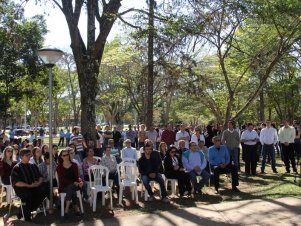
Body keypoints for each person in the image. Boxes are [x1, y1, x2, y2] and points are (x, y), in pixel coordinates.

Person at [11, 148, 49, 222]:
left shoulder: (33, 165)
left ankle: (24, 210)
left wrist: (39, 182)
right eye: (27, 155)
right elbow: (16, 182)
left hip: (34, 186)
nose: (29, 157)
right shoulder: (17, 168)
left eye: (30, 155)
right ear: (21, 156)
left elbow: (40, 176)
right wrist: (29, 185)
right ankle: (27, 218)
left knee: (45, 189)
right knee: (27, 196)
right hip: (22, 188)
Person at [56, 149, 83, 216]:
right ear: (61, 157)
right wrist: (73, 182)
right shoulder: (59, 167)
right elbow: (62, 180)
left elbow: (77, 177)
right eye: (64, 155)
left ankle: (66, 209)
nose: (66, 156)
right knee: (71, 186)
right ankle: (76, 207)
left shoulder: (74, 165)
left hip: (74, 185)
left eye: (67, 155)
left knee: (72, 187)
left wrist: (80, 181)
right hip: (64, 186)